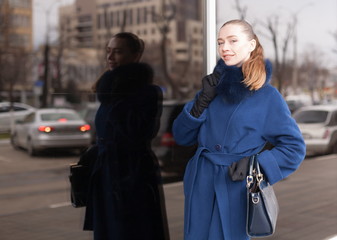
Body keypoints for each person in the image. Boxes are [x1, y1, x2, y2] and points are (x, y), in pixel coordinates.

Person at [172, 19, 306, 240]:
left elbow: (294, 148)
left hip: (235, 185)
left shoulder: (267, 96)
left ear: (251, 45)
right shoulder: (212, 89)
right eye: (220, 42)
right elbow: (181, 135)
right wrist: (202, 101)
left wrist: (257, 165)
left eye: (233, 41)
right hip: (202, 182)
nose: (225, 47)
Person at [83, 32, 170, 240]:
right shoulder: (107, 92)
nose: (110, 57)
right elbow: (107, 132)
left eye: (118, 52)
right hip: (106, 174)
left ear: (135, 55)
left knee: (132, 231)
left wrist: (116, 95)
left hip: (133, 174)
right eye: (108, 51)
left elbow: (140, 132)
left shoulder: (148, 92)